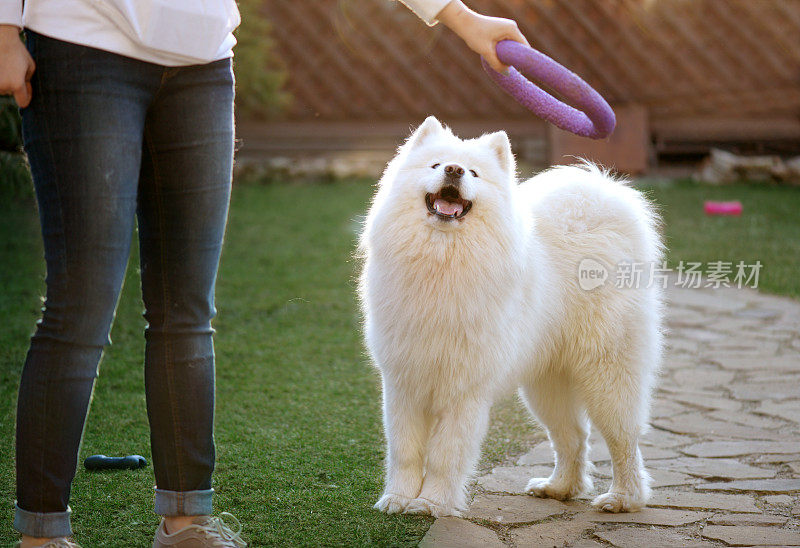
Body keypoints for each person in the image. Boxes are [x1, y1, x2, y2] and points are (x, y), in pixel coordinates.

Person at [0, 0, 528, 546]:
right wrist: (3, 27)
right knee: (81, 307)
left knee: (186, 311)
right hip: (82, 46)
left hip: (201, 61)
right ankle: (42, 533)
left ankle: (186, 523)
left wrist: (462, 18)